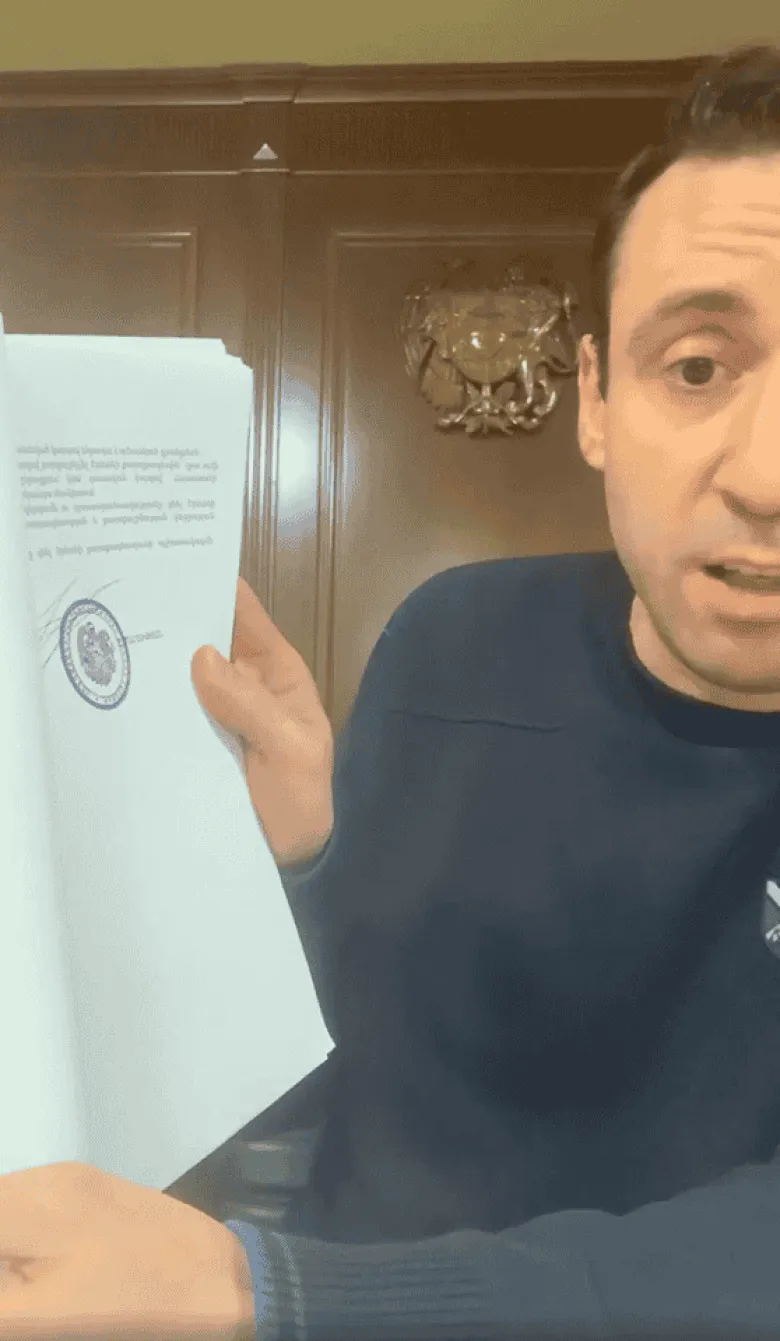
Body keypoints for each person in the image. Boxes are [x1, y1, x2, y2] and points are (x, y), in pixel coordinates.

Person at [4, 38, 780, 1341]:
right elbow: (339, 1078)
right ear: (596, 399)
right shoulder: (455, 643)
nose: (766, 474)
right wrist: (297, 868)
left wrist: (275, 1295)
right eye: (698, 367)